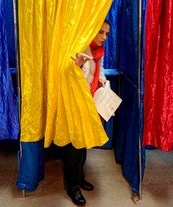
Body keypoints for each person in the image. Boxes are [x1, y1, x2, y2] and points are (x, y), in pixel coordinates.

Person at [62, 19, 110, 206]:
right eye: (100, 32)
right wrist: (78, 66)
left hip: (90, 103)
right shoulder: (80, 47)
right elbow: (72, 79)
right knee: (74, 146)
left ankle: (79, 177)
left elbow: (100, 70)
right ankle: (72, 186)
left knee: (83, 145)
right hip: (76, 104)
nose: (104, 37)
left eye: (106, 33)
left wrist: (102, 79)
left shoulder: (98, 51)